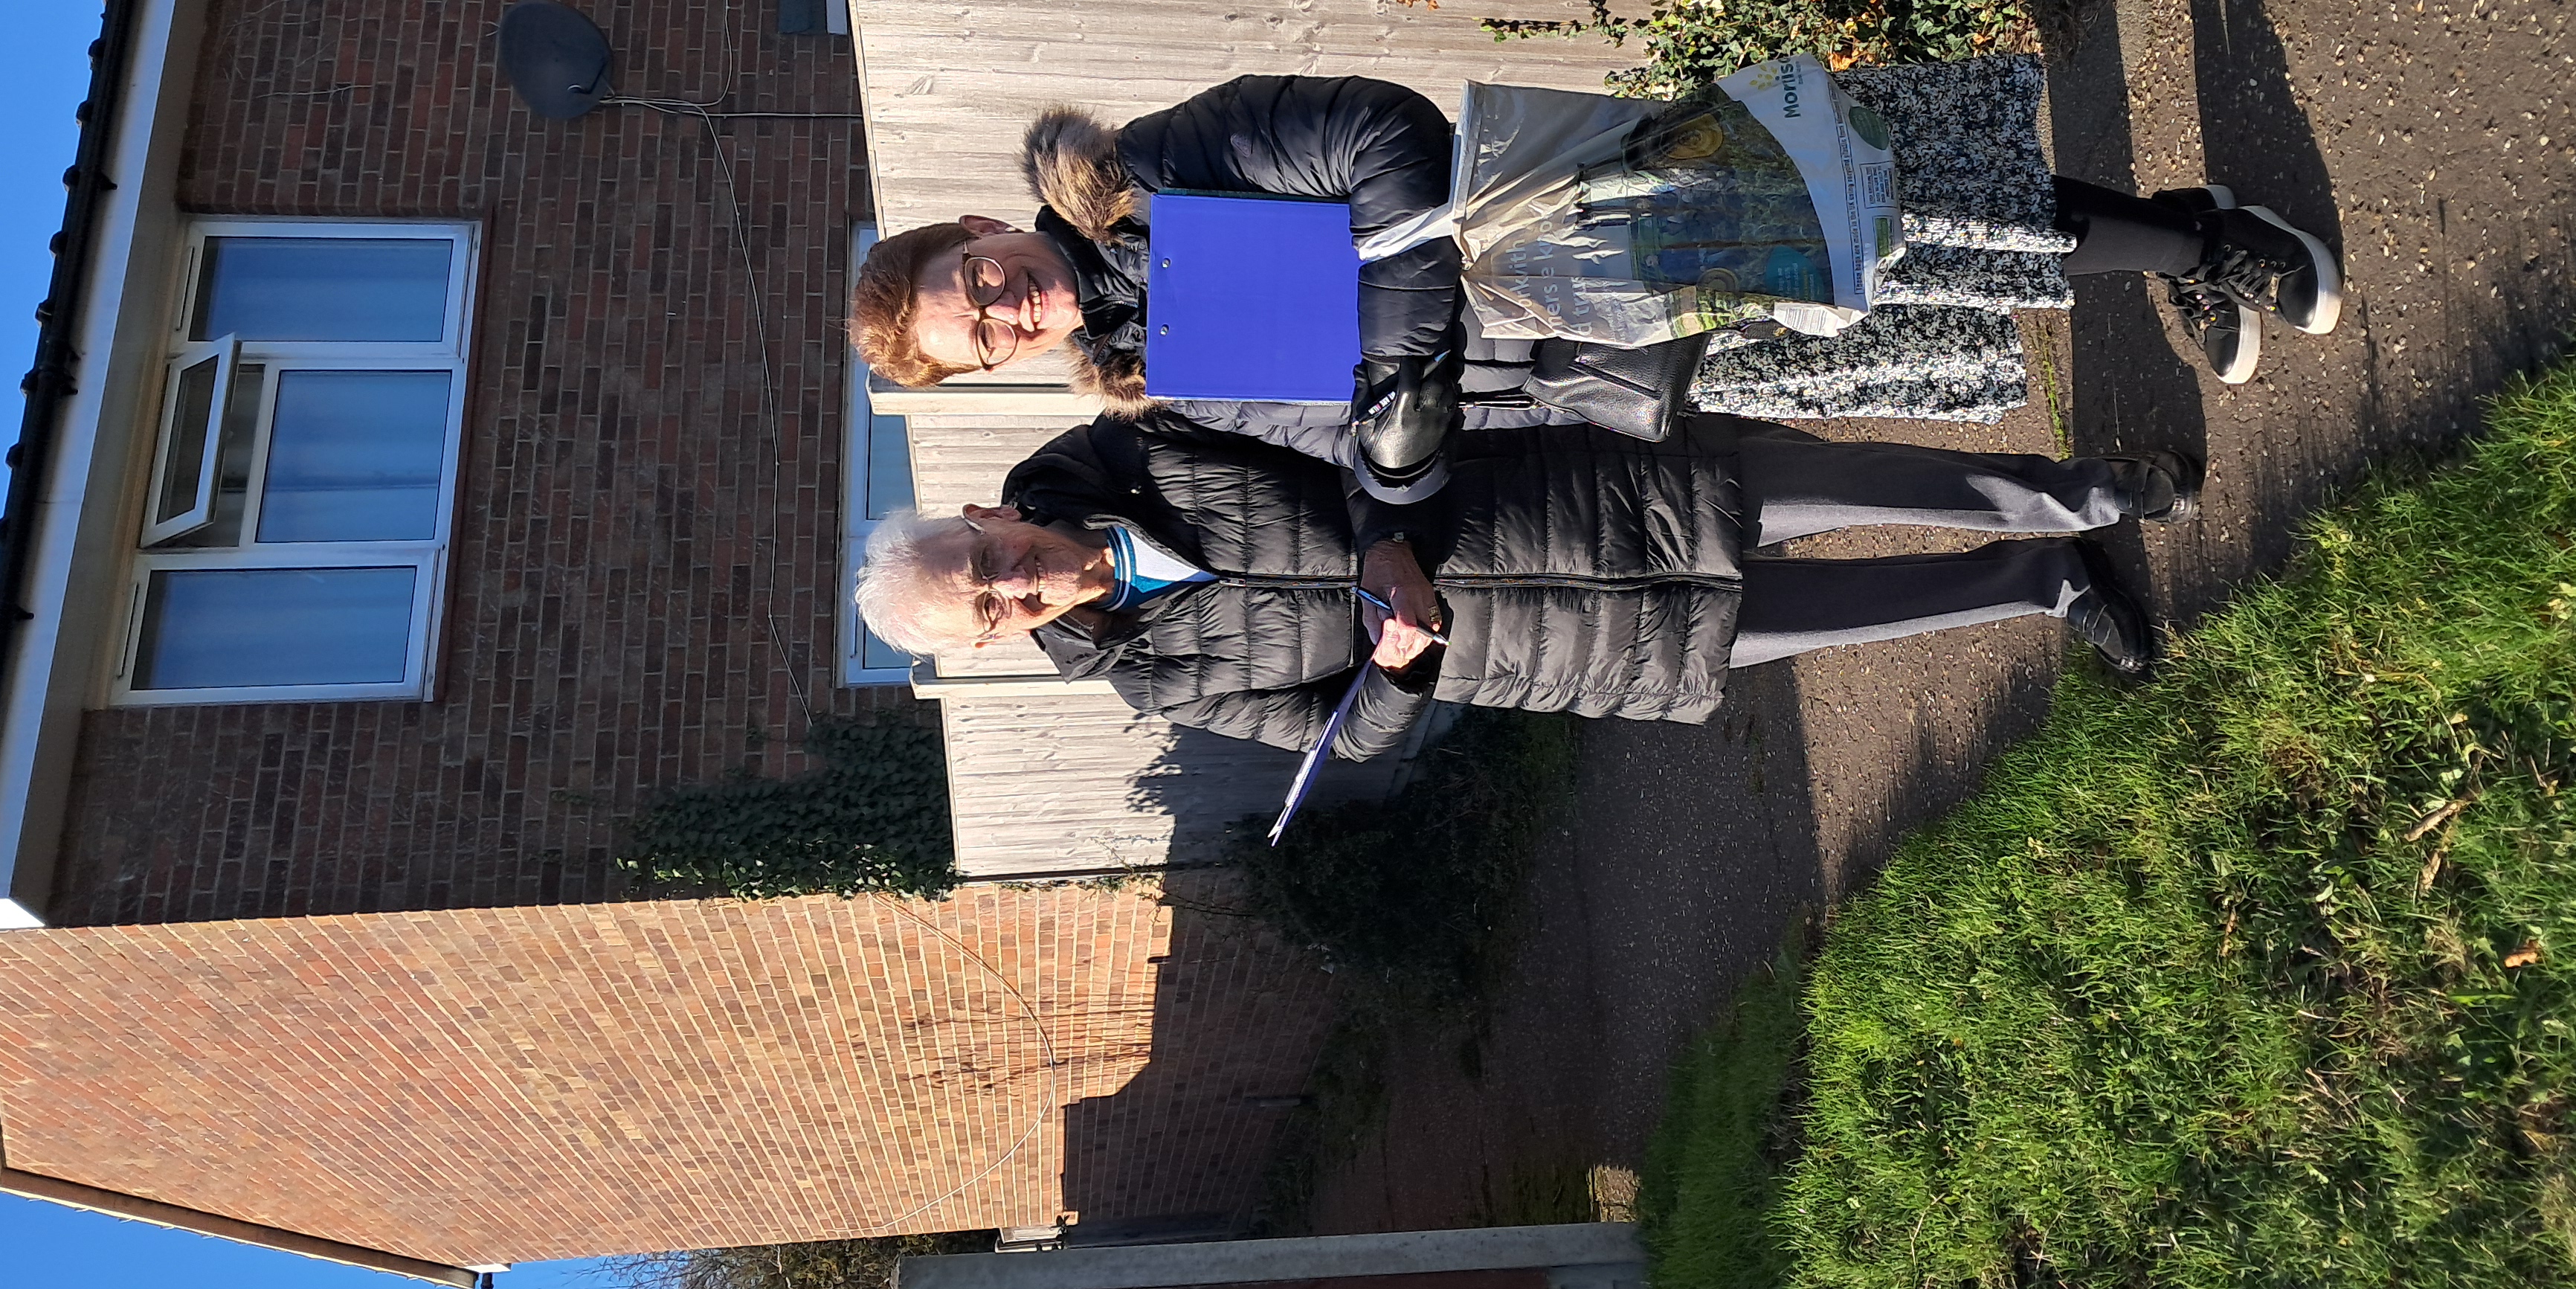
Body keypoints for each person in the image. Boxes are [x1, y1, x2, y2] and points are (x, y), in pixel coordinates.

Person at [844, 66, 2339, 450]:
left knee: (1901, 218)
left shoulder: (1163, 169)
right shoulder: (1153, 368)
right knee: (1886, 307)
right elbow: (1340, 414)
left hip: (1586, 217)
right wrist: (1404, 458)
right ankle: (2171, 246)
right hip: (1584, 354)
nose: (1005, 309)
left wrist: (1408, 352)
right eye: (986, 338)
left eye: (977, 283)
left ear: (980, 230)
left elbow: (1384, 135)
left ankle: (2203, 236)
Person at [853, 410, 2197, 761]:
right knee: (1847, 617)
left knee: (1852, 486)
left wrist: (1382, 531)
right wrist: (1393, 677)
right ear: (994, 644)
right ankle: (2039, 581)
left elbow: (1330, 415)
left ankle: (2086, 494)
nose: (1012, 588)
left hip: (1554, 496)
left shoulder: (1143, 445)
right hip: (1543, 650)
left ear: (987, 515)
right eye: (989, 611)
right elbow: (1338, 740)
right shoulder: (1151, 680)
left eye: (986, 564)